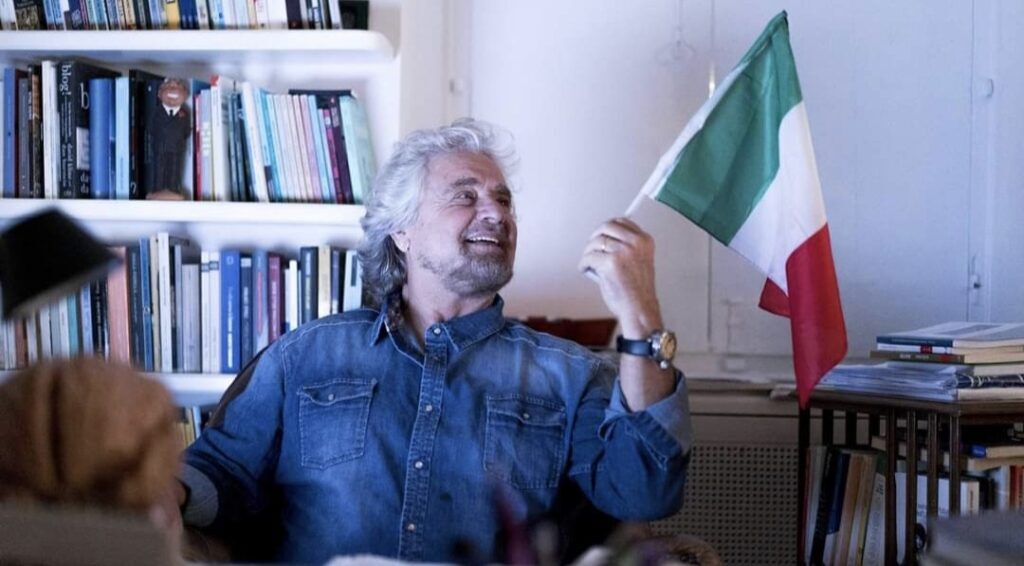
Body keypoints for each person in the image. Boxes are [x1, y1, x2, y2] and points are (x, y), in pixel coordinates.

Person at [176, 119, 693, 563]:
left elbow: (644, 492)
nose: (497, 213)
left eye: (504, 200)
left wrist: (639, 311)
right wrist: (167, 490)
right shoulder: (304, 356)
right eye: (466, 196)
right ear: (401, 231)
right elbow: (219, 473)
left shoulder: (571, 376)